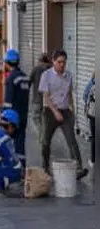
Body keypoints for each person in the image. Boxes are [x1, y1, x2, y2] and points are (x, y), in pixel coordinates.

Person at [38, 50, 88, 180]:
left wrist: (72, 111)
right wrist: (55, 112)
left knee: (71, 140)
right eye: (59, 62)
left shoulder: (69, 76)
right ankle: (45, 167)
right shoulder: (46, 75)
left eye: (64, 62)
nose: (61, 65)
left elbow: (70, 94)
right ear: (53, 61)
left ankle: (78, 168)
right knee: (45, 141)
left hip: (65, 111)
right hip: (50, 111)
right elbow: (46, 97)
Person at [1, 49, 31, 165]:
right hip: (23, 116)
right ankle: (22, 166)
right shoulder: (25, 77)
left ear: (7, 63)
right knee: (20, 143)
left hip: (12, 117)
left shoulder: (11, 78)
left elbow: (8, 101)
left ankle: (12, 168)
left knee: (9, 143)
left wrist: (4, 117)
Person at [28, 53, 52, 146]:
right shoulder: (51, 70)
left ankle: (42, 135)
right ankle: (43, 136)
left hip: (37, 99)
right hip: (48, 101)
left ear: (40, 60)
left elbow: (29, 82)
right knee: (44, 119)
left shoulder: (36, 69)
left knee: (35, 118)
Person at [85, 72, 95, 167]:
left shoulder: (91, 85)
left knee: (94, 137)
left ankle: (93, 160)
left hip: (93, 114)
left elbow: (85, 97)